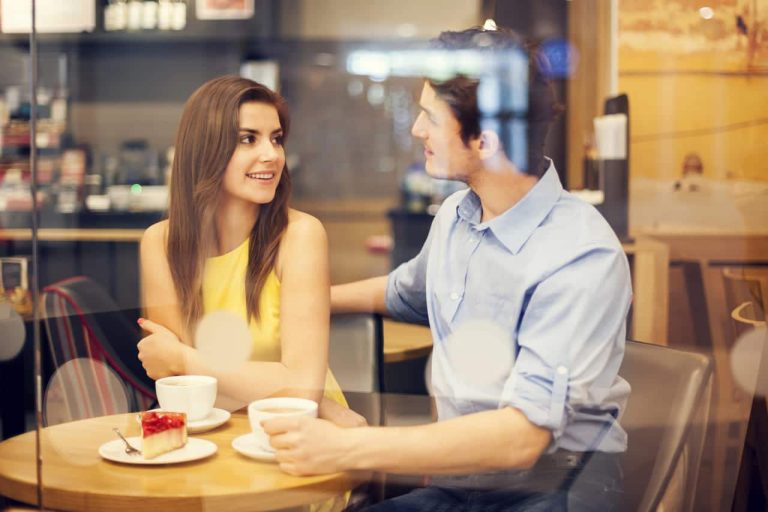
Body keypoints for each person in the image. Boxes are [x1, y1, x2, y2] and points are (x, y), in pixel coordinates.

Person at [262, 27, 632, 511]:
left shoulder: (580, 256)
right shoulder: (460, 215)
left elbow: (520, 438)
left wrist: (346, 447)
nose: (417, 130)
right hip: (465, 483)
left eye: (430, 118)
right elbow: (404, 292)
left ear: (486, 142)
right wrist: (296, 299)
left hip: (555, 488)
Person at [137, 75, 363, 425]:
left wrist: (185, 358)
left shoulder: (300, 236)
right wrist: (280, 384)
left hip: (297, 429)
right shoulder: (160, 243)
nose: (271, 155)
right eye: (247, 139)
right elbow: (181, 387)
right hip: (210, 426)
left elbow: (303, 390)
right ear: (205, 149)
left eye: (276, 139)